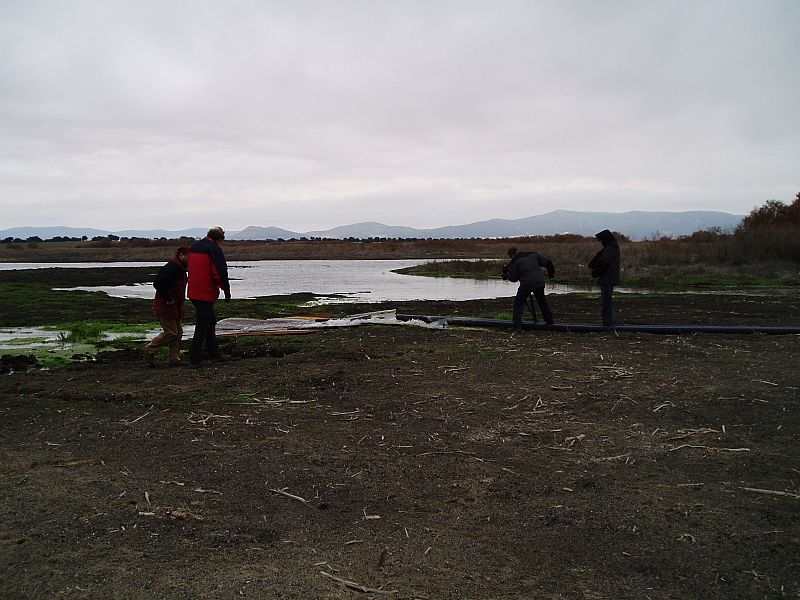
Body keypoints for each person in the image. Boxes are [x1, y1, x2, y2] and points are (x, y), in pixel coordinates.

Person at [187, 227, 231, 367]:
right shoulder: (213, 249)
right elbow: (220, 271)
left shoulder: (194, 247)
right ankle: (195, 358)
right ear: (220, 239)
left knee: (210, 321)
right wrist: (227, 291)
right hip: (205, 292)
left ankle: (213, 352)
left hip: (193, 292)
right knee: (203, 324)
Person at [143, 246, 189, 367]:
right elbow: (158, 283)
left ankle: (174, 358)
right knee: (171, 332)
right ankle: (149, 349)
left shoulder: (181, 270)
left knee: (178, 333)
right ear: (181, 255)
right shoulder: (170, 268)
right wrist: (168, 297)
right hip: (165, 306)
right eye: (189, 257)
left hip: (176, 307)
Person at [505, 247, 555, 328]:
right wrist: (551, 276)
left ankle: (517, 326)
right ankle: (549, 322)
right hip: (539, 282)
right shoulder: (533, 254)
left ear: (512, 255)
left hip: (526, 284)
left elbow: (512, 279)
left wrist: (508, 273)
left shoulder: (515, 261)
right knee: (542, 302)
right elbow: (548, 262)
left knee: (518, 304)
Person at [588, 229, 621, 327]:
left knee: (606, 301)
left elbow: (604, 264)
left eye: (601, 240)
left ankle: (608, 322)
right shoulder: (610, 247)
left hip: (608, 278)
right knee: (607, 301)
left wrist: (595, 273)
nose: (601, 242)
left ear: (605, 239)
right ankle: (608, 321)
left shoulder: (611, 248)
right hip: (609, 278)